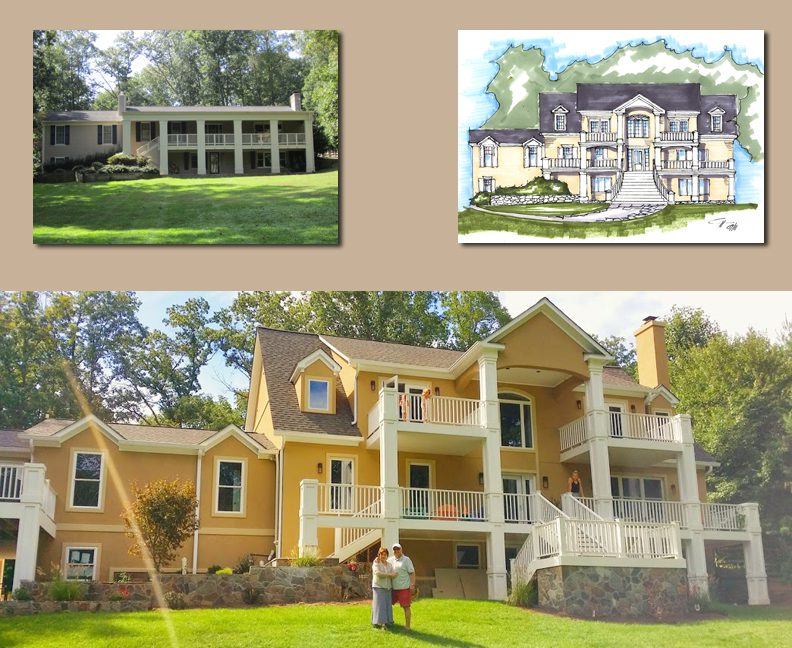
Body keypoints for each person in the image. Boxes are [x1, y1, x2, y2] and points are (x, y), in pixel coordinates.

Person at [388, 543, 416, 630]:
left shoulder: (406, 560)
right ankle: (388, 622)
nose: (396, 551)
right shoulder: (390, 560)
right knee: (387, 605)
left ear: (401, 550)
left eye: (398, 549)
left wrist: (412, 585)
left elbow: (412, 573)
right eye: (394, 549)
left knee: (406, 607)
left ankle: (407, 626)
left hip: (404, 588)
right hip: (392, 588)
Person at [371, 547, 395, 629]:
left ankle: (387, 621)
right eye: (381, 554)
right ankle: (381, 623)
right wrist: (389, 575)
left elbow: (393, 573)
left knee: (387, 605)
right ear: (379, 555)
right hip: (378, 586)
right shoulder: (376, 563)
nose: (383, 556)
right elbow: (378, 573)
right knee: (380, 605)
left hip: (387, 587)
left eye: (385, 554)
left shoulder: (389, 564)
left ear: (387, 555)